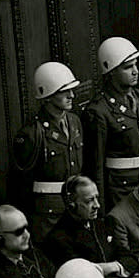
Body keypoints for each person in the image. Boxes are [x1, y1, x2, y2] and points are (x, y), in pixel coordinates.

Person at [10, 61, 84, 243]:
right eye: (63, 91)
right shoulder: (31, 133)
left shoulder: (74, 122)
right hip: (48, 214)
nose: (71, 95)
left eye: (71, 90)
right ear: (48, 95)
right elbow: (21, 186)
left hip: (76, 207)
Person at [83, 37, 139, 208]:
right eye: (128, 67)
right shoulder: (99, 110)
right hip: (121, 191)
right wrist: (99, 204)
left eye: (136, 65)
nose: (135, 71)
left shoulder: (138, 96)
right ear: (112, 71)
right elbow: (96, 166)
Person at [44, 175, 130, 278]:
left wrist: (113, 267)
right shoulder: (59, 238)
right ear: (71, 204)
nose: (97, 205)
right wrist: (123, 277)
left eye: (97, 197)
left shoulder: (103, 223)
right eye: (89, 201)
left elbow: (130, 259)